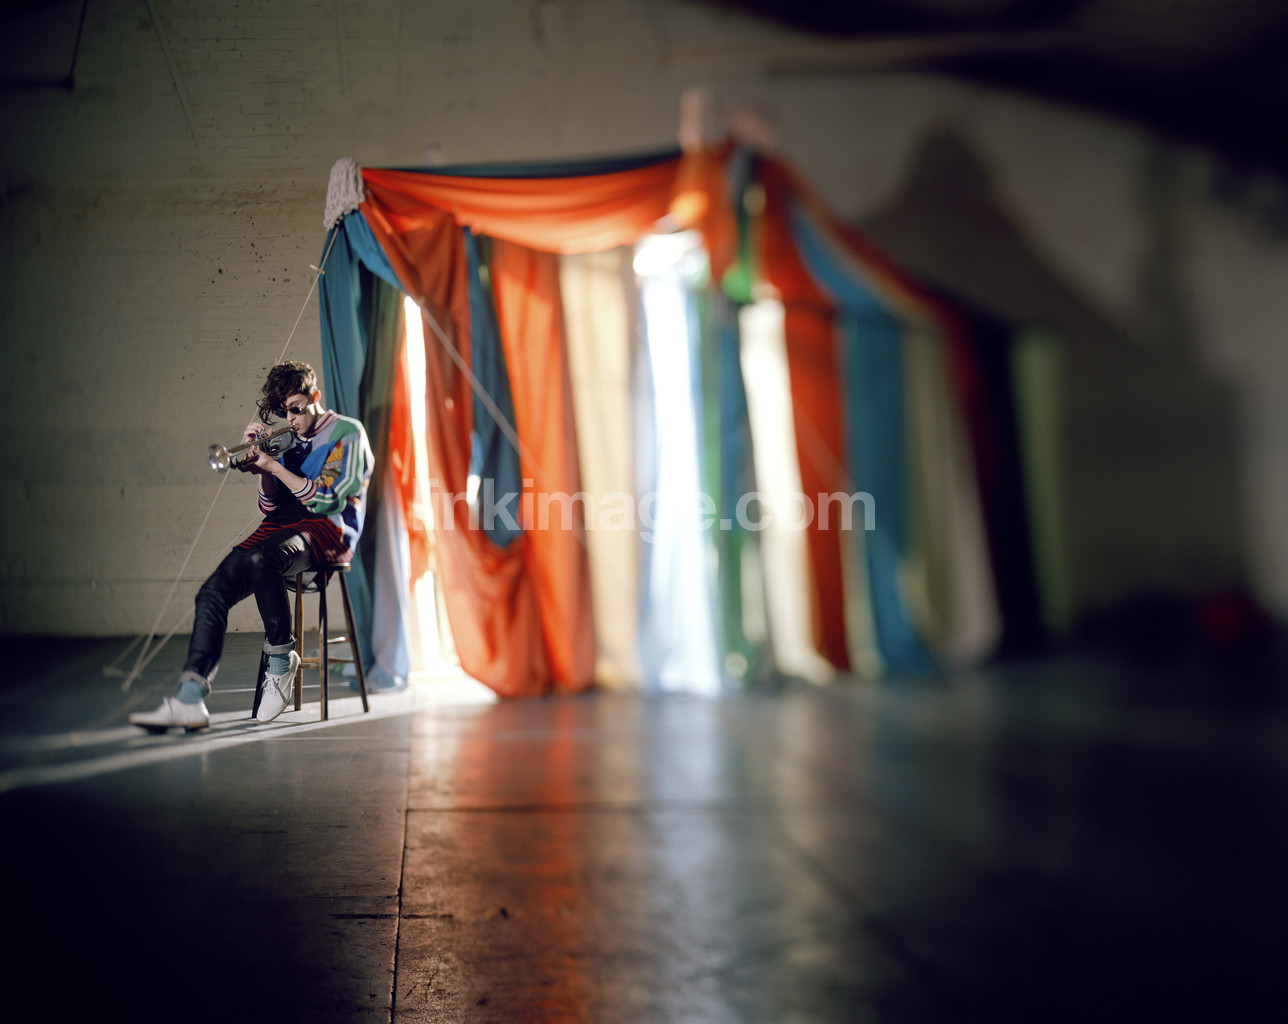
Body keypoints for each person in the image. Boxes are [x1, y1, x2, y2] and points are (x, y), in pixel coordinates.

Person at [131, 360, 374, 731]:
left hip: (328, 528)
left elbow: (327, 500)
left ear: (315, 396)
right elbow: (270, 508)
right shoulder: (287, 438)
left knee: (262, 559)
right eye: (284, 412)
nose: (291, 419)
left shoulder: (347, 433)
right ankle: (190, 700)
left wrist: (275, 467)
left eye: (296, 408)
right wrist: (264, 468)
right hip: (282, 528)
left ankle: (282, 661)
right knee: (212, 592)